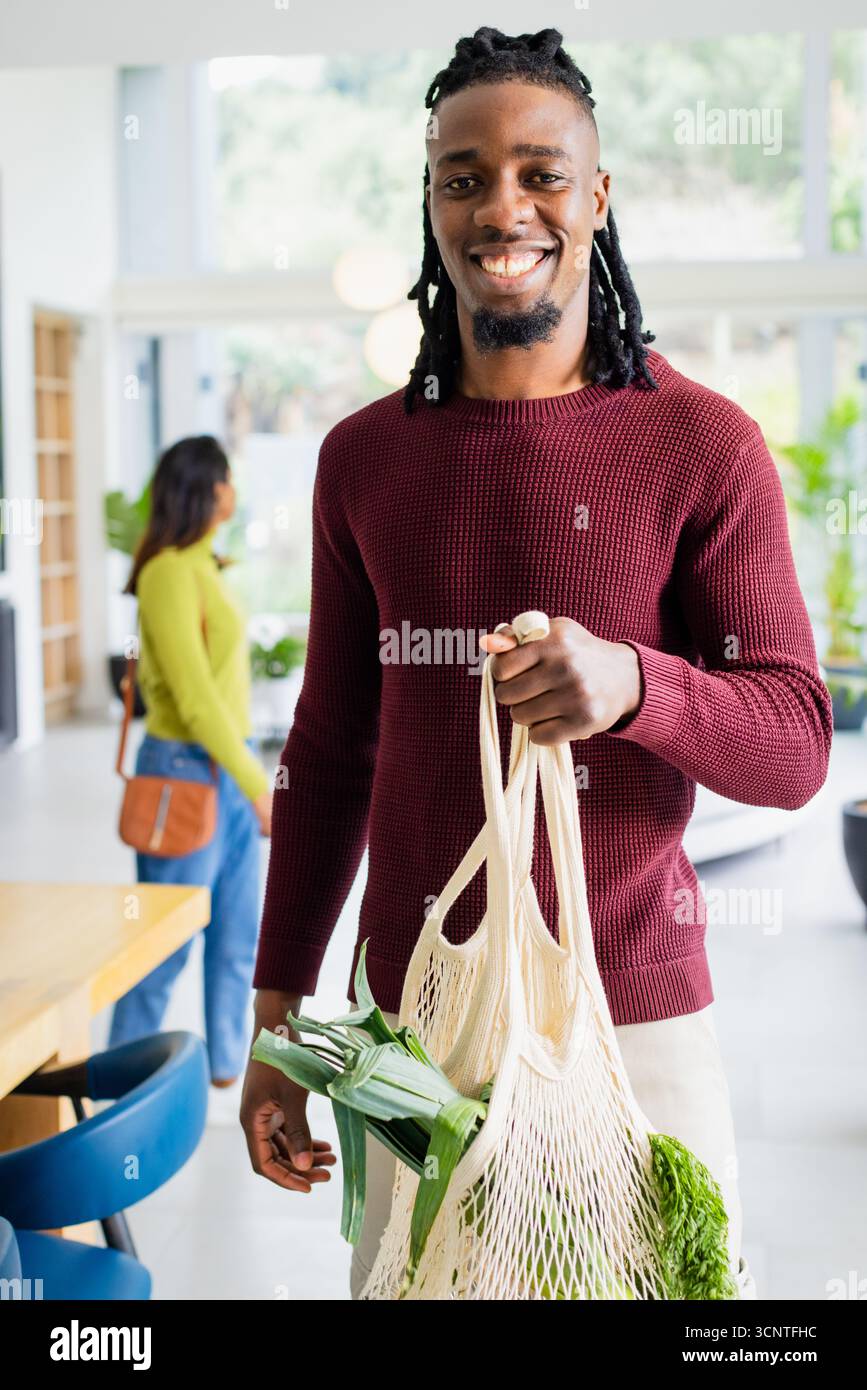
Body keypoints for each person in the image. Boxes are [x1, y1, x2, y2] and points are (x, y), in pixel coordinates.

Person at [239, 28, 833, 1298]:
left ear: (598, 197)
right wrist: (278, 1022)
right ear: (433, 205)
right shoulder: (364, 460)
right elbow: (333, 754)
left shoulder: (703, 445)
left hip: (635, 1015)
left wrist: (634, 684)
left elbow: (793, 739)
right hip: (414, 1028)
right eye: (463, 177)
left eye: (540, 172)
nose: (502, 207)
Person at [109, 435, 273, 1086]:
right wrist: (259, 784)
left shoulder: (210, 565)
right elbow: (197, 701)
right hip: (185, 774)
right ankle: (115, 1080)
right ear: (205, 489)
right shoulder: (167, 572)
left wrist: (247, 781)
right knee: (161, 947)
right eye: (226, 479)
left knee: (237, 941)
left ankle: (229, 1069)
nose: (233, 491)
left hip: (227, 775)